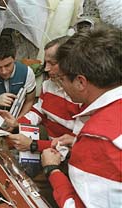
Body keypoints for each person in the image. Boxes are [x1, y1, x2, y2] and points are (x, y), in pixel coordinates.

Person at [41, 25, 122, 207]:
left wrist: (51, 169)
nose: (60, 84)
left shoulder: (99, 138)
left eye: (62, 79)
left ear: (80, 81)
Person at [7, 36, 81, 154]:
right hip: (49, 146)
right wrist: (17, 122)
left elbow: (75, 142)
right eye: (46, 62)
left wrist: (33, 145)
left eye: (52, 63)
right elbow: (38, 111)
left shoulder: (82, 96)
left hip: (68, 154)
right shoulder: (48, 85)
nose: (46, 69)